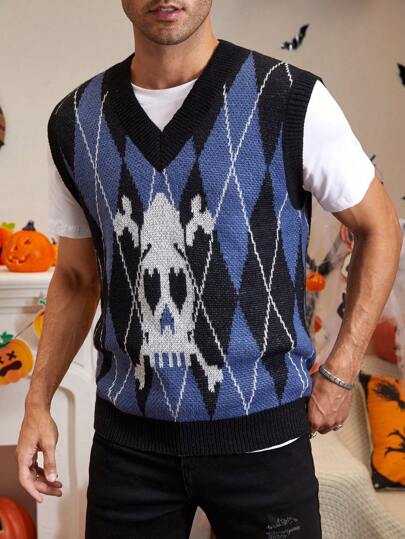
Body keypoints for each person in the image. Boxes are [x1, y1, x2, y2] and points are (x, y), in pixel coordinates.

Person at [16, 1, 402, 538]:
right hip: (129, 449)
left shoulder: (290, 97)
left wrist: (340, 371)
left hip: (265, 443)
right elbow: (77, 278)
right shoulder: (76, 122)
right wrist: (38, 402)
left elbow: (380, 227)